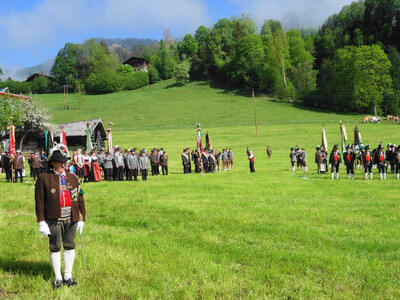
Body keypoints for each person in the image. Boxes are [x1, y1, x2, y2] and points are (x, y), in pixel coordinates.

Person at [35, 143, 86, 289]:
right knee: (55, 246)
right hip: (53, 219)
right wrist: (41, 221)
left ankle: (68, 275)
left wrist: (82, 218)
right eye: (60, 162)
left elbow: (80, 198)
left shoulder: (73, 178)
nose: (64, 164)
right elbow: (39, 202)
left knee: (70, 245)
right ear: (53, 163)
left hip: (71, 219)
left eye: (65, 162)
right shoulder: (44, 178)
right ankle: (58, 277)